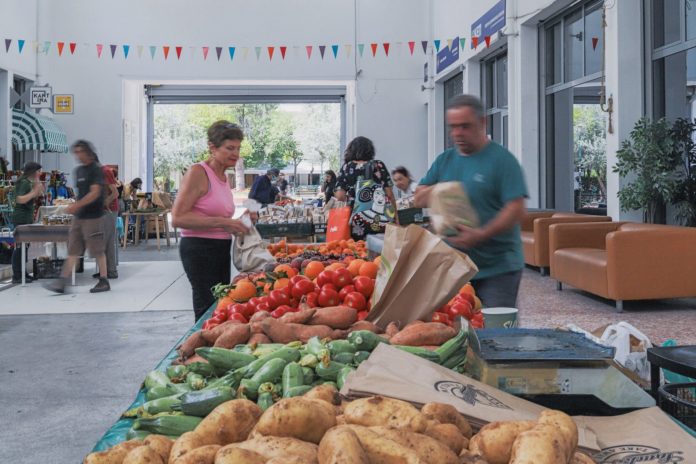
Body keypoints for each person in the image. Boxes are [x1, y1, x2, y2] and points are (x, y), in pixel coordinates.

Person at [415, 94, 527, 308]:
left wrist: (481, 234)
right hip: (454, 267)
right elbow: (419, 196)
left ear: (482, 123)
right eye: (453, 127)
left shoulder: (502, 160)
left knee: (496, 333)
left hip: (498, 269)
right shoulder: (445, 160)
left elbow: (517, 209)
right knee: (456, 330)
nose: (458, 133)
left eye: (465, 126)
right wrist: (440, 191)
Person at [172, 121, 250, 321]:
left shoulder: (225, 177)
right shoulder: (198, 172)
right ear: (212, 147)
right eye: (229, 148)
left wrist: (240, 221)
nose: (235, 153)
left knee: (220, 304)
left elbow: (218, 217)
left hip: (220, 248)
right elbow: (178, 218)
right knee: (208, 307)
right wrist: (224, 223)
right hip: (199, 249)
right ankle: (200, 348)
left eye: (238, 148)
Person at [45, 140, 110, 294]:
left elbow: (95, 193)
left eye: (80, 152)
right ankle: (62, 282)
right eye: (75, 152)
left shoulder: (96, 169)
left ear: (87, 151)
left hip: (93, 217)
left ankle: (104, 280)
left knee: (97, 250)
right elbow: (80, 194)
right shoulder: (78, 171)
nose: (77, 155)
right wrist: (75, 207)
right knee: (73, 249)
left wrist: (77, 205)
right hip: (79, 217)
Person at [335, 136, 398, 240]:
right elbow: (390, 194)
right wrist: (396, 219)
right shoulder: (378, 165)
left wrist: (351, 196)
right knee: (380, 248)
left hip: (356, 219)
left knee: (358, 250)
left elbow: (340, 196)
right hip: (382, 218)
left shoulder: (347, 167)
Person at [11, 162, 44, 283]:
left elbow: (39, 194)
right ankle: (17, 275)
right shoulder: (23, 182)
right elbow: (19, 199)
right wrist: (33, 193)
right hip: (21, 218)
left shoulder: (29, 182)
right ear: (34, 171)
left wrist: (37, 185)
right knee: (20, 247)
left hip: (27, 217)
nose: (41, 173)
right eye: (39, 171)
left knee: (25, 247)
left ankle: (22, 272)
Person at [94, 164, 119, 279]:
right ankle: (105, 271)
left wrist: (105, 202)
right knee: (102, 241)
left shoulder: (105, 171)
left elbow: (115, 193)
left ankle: (111, 271)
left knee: (107, 241)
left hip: (109, 210)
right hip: (102, 211)